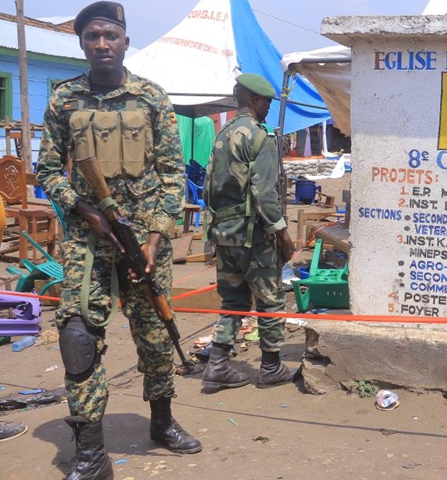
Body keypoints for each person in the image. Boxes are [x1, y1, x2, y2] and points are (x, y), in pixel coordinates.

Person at [36, 2, 201, 478]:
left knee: (153, 335)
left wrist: (153, 237)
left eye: (111, 35)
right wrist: (83, 208)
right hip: (90, 241)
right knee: (77, 338)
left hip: (144, 240)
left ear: (126, 41)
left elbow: (172, 174)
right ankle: (91, 454)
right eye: (92, 36)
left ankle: (163, 422)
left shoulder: (151, 97)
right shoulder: (64, 99)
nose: (102, 44)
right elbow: (48, 169)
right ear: (82, 42)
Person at [201, 73, 298, 391]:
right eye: (267, 101)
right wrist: (282, 234)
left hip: (224, 234)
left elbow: (207, 188)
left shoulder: (223, 135)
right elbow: (264, 194)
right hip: (254, 236)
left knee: (232, 301)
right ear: (254, 100)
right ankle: (270, 368)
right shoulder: (260, 137)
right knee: (270, 302)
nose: (269, 107)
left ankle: (217, 365)